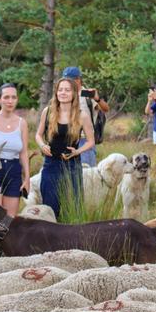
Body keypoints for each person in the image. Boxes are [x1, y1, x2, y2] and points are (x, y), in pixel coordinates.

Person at [35, 77, 95, 220]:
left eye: (67, 90)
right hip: (51, 165)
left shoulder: (82, 115)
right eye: (60, 89)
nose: (63, 93)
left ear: (74, 93)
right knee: (50, 208)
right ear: (56, 93)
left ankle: (71, 240)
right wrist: (42, 145)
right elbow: (38, 134)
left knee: (72, 208)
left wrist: (78, 151)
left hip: (72, 166)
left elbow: (91, 141)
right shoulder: (48, 111)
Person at [0, 83, 31, 216]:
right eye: (6, 97)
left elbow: (23, 152)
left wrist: (27, 177)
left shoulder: (21, 123)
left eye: (13, 97)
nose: (10, 101)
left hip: (13, 170)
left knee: (10, 219)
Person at [62, 66, 108, 167]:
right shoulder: (62, 94)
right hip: (66, 139)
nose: (66, 83)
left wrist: (97, 98)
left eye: (69, 80)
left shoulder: (87, 94)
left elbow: (105, 109)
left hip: (85, 141)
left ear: (78, 80)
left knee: (87, 175)